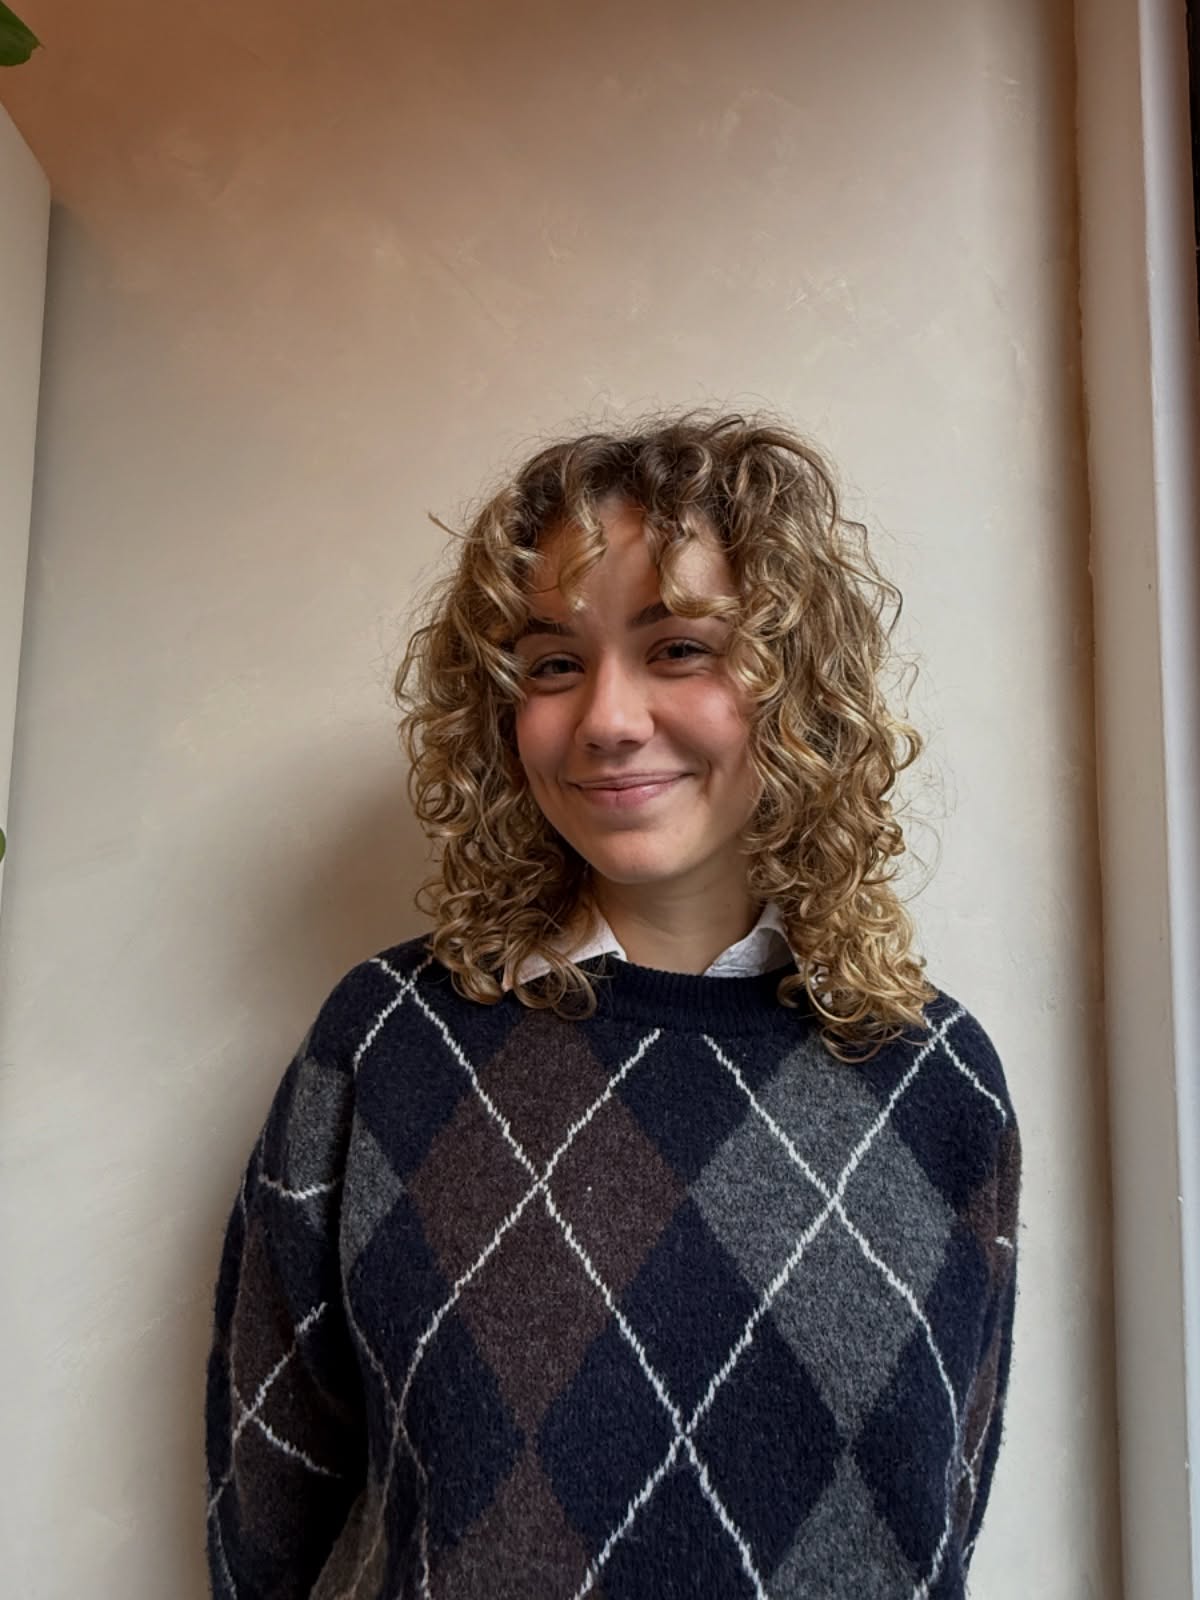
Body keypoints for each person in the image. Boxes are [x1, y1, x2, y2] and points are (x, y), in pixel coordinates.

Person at [204, 409, 1021, 1599]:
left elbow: (942, 1524)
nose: (607, 718)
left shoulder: (938, 1077)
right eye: (551, 663)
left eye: (679, 647)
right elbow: (265, 1512)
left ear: (796, 680)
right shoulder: (386, 1044)